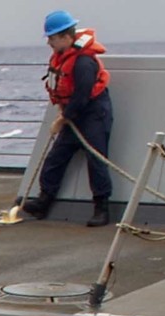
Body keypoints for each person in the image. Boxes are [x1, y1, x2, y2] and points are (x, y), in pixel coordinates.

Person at [25, 10, 114, 227]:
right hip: (74, 114)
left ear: (66, 37)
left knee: (96, 161)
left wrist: (63, 118)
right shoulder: (63, 58)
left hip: (93, 114)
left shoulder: (83, 62)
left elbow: (83, 95)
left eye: (52, 38)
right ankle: (44, 201)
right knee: (56, 158)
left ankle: (101, 208)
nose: (49, 43)